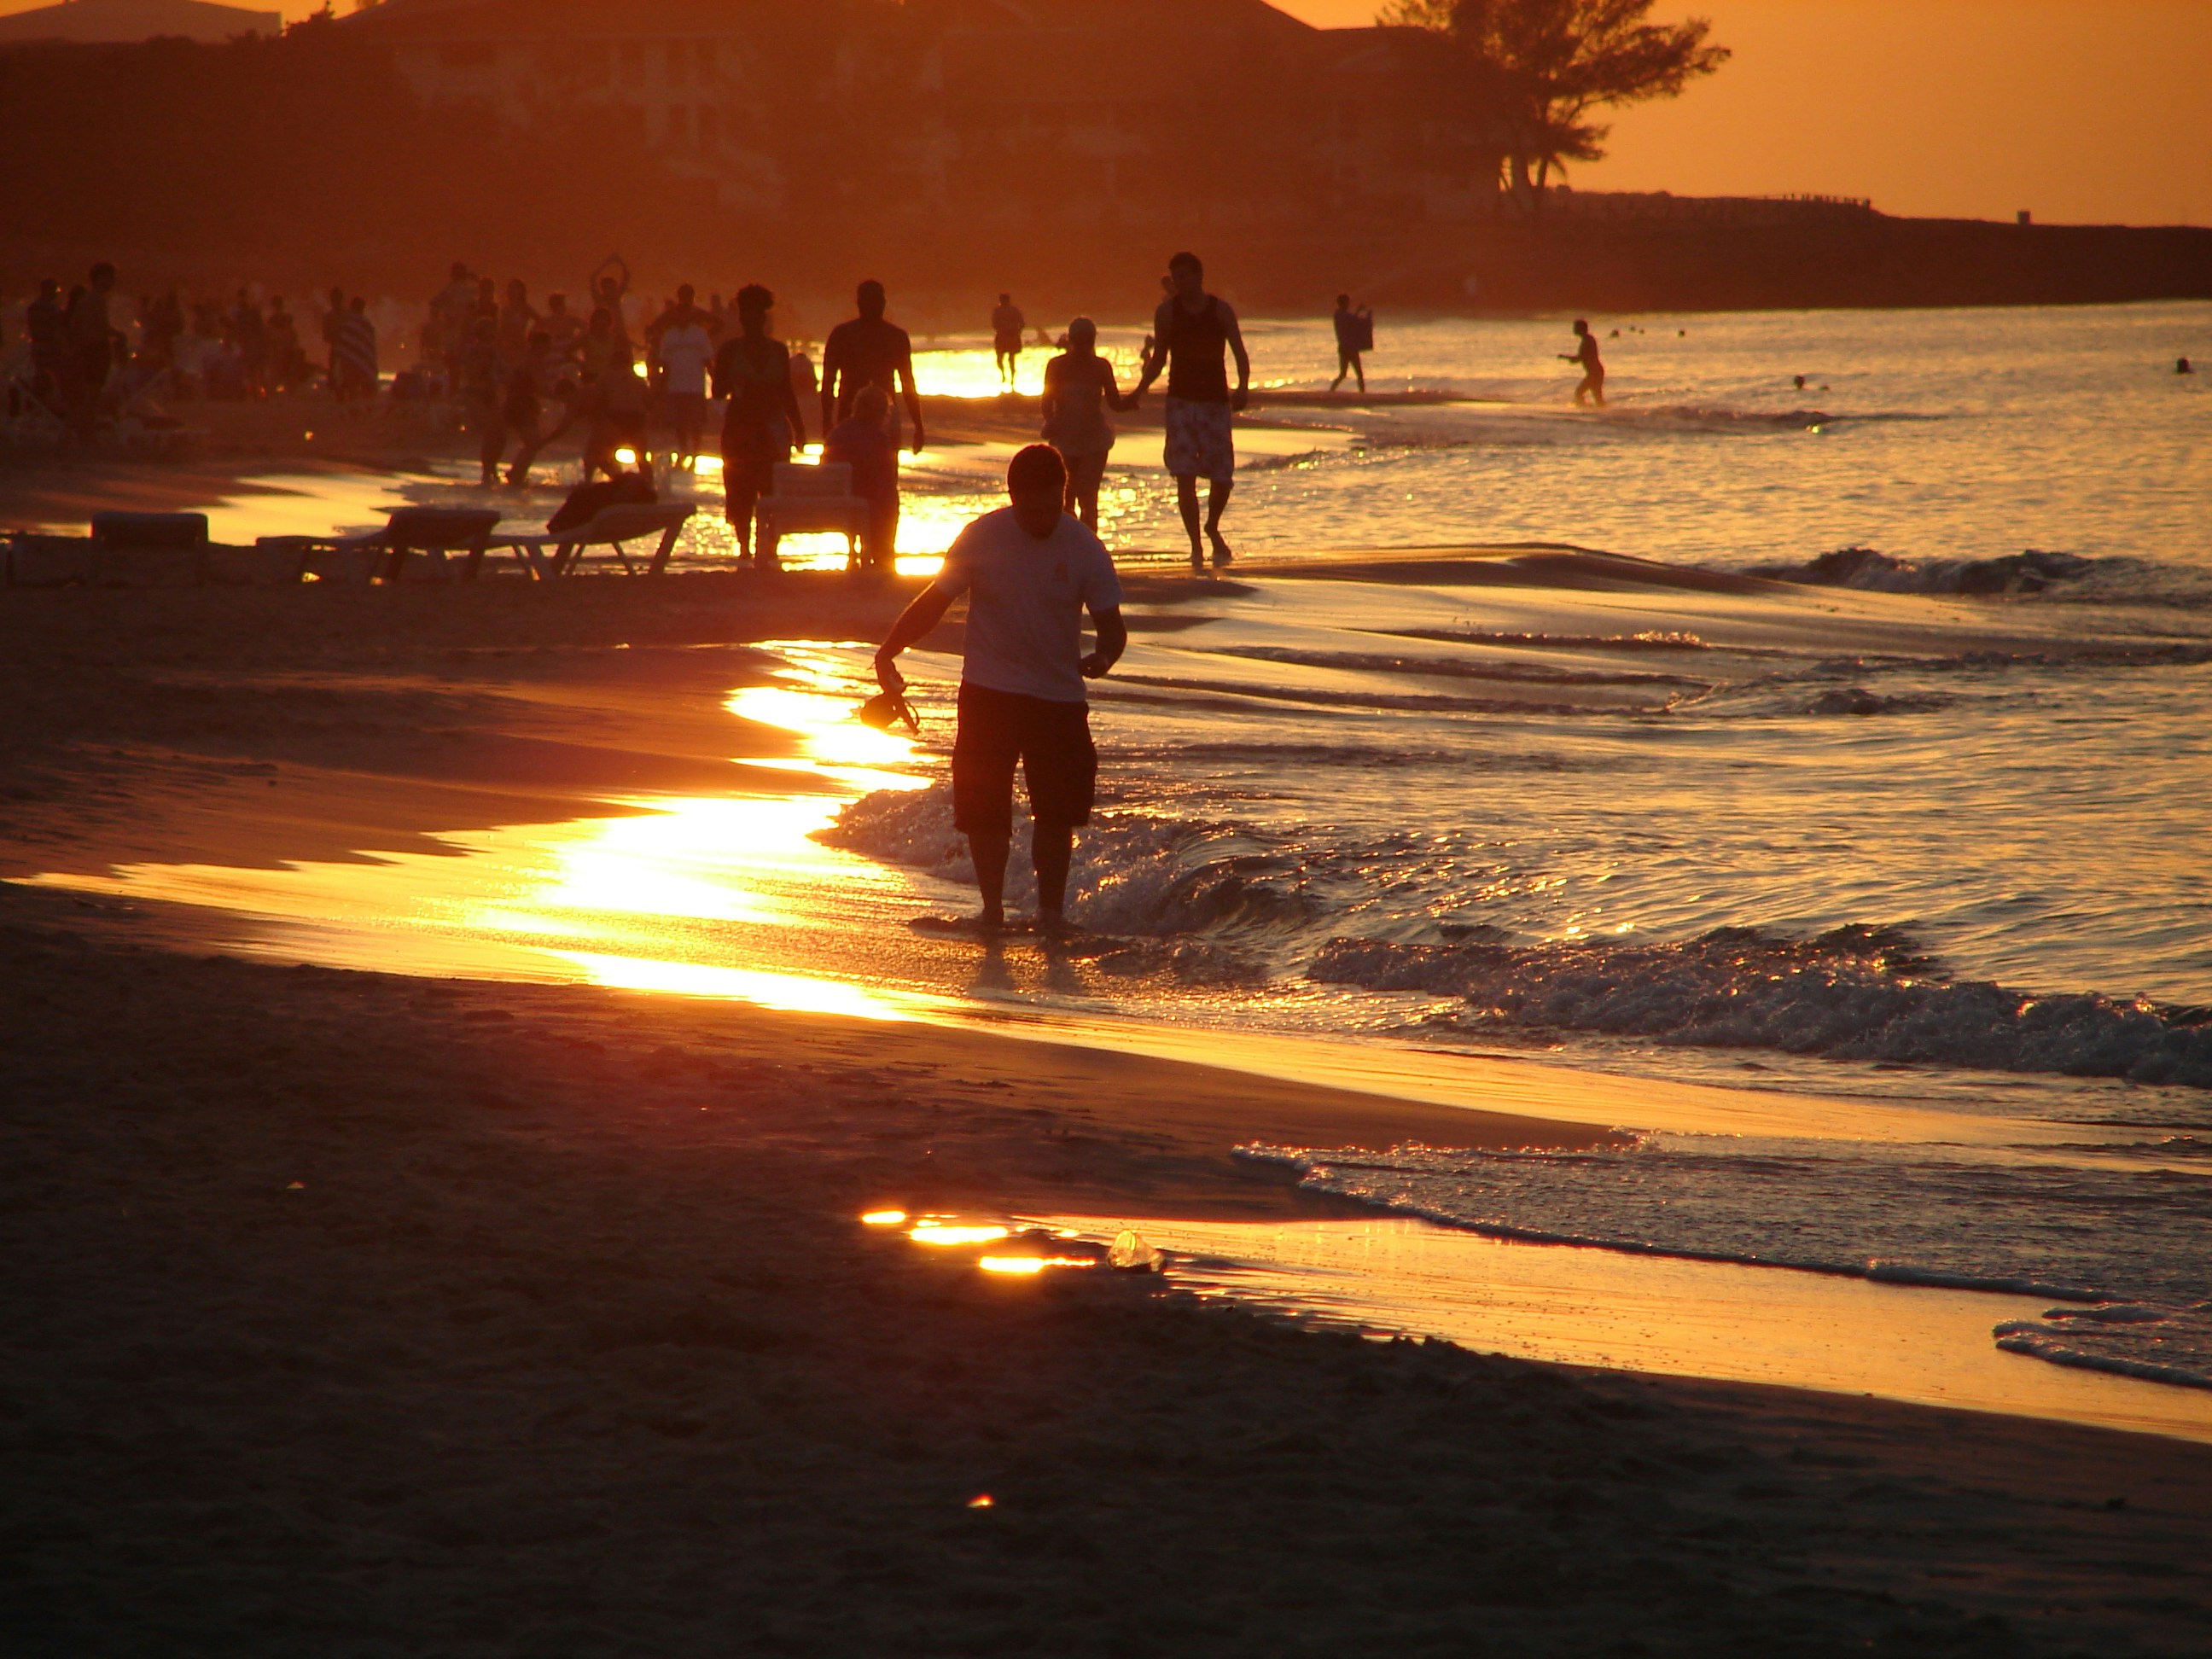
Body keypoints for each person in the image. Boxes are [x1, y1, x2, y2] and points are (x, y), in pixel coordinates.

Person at [872, 443, 1127, 935]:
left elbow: (1113, 629)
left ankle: (1051, 916)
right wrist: (889, 651)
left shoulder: (1084, 547)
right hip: (989, 692)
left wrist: (1103, 658)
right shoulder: (981, 538)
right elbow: (932, 603)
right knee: (984, 810)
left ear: (1064, 494)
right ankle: (991, 912)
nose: (1043, 520)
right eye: (1032, 508)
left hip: (1058, 699)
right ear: (1013, 496)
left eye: (1053, 506)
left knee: (1057, 814)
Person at [1132, 250, 1249, 572]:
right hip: (1181, 401)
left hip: (1214, 401)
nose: (1180, 282)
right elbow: (1158, 360)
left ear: (1199, 276)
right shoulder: (1167, 313)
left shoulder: (1220, 310)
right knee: (1184, 474)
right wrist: (1139, 392)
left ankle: (1212, 526)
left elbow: (1239, 350)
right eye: (1176, 277)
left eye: (1185, 276)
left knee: (1222, 476)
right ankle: (1196, 544)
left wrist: (1242, 387)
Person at [711, 282, 806, 564]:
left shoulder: (778, 351)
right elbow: (716, 391)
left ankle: (770, 547)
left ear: (763, 319)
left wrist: (799, 429)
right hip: (739, 428)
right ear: (741, 319)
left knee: (773, 489)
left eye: (755, 317)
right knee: (740, 489)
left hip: (774, 428)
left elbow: (787, 391)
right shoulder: (729, 350)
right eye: (745, 317)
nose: (749, 322)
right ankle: (744, 548)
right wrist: (734, 382)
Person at [1040, 317, 1132, 531]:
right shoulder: (1056, 366)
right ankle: (1068, 544)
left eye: (1088, 341)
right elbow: (1046, 402)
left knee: (1088, 495)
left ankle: (1090, 546)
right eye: (1079, 340)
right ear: (1071, 340)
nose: (1083, 346)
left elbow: (1115, 403)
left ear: (1093, 341)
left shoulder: (1101, 366)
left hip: (1095, 438)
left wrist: (1134, 398)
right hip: (1065, 437)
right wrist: (1052, 422)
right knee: (1066, 496)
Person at [821, 279, 924, 457]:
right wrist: (826, 421)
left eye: (877, 301)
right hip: (849, 415)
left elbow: (908, 384)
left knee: (885, 474)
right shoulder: (842, 335)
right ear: (859, 303)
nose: (874, 306)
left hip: (885, 416)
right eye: (869, 301)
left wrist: (919, 426)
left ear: (884, 303)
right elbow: (828, 382)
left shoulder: (896, 337)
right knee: (852, 472)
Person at [825, 384, 900, 573]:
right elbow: (885, 481)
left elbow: (824, 471)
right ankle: (883, 554)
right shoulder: (878, 438)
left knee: (874, 498)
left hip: (833, 503)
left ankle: (860, 551)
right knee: (888, 500)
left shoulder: (837, 434)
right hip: (866, 507)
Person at [655, 300, 715, 469]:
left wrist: (715, 381)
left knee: (696, 423)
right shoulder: (669, 335)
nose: (682, 317)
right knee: (679, 423)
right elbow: (664, 364)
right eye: (679, 313)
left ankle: (695, 455)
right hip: (675, 386)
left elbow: (707, 360)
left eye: (685, 313)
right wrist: (661, 387)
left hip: (695, 386)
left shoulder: (700, 334)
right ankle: (683, 451)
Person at [335, 296, 378, 405]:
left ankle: (355, 409)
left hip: (349, 359)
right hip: (361, 360)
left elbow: (341, 341)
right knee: (360, 385)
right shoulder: (366, 323)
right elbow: (370, 343)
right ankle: (365, 408)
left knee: (352, 386)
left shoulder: (346, 322)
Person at [1330, 294, 1371, 393]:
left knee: (1343, 374)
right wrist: (1362, 312)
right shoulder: (1341, 315)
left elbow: (1352, 321)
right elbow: (1354, 321)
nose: (1348, 304)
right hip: (1349, 348)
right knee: (1359, 374)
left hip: (1343, 348)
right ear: (1343, 303)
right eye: (1347, 302)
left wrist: (1358, 311)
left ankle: (1331, 392)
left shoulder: (1338, 314)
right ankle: (1362, 394)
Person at [1562, 318, 1605, 408]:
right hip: (1595, 372)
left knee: (1579, 393)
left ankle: (1585, 410)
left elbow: (1582, 357)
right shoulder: (1587, 339)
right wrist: (1572, 359)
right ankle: (1601, 412)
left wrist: (1565, 357)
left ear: (1580, 328)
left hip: (1595, 372)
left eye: (1575, 327)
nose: (1573, 329)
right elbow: (1583, 357)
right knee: (1597, 396)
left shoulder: (1587, 340)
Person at [991, 292, 1025, 390]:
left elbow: (1022, 323)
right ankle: (1006, 377)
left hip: (1008, 336)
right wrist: (1017, 332)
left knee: (1007, 359)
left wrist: (1016, 332)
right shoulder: (1008, 310)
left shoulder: (1007, 310)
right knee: (1006, 359)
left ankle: (1010, 380)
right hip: (1008, 336)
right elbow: (1022, 323)